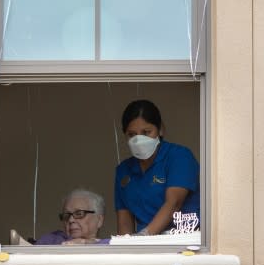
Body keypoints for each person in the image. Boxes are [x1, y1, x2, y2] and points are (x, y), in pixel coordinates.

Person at [114, 99, 200, 235]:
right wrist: (126, 247)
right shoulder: (124, 170)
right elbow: (125, 219)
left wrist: (144, 237)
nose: (139, 140)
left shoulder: (179, 157)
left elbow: (173, 203)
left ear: (160, 129)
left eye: (146, 132)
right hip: (144, 247)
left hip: (182, 240)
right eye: (132, 134)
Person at [35, 189, 109, 245]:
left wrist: (86, 242)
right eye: (67, 215)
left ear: (99, 220)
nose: (70, 220)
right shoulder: (50, 241)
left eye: (79, 213)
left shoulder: (111, 246)